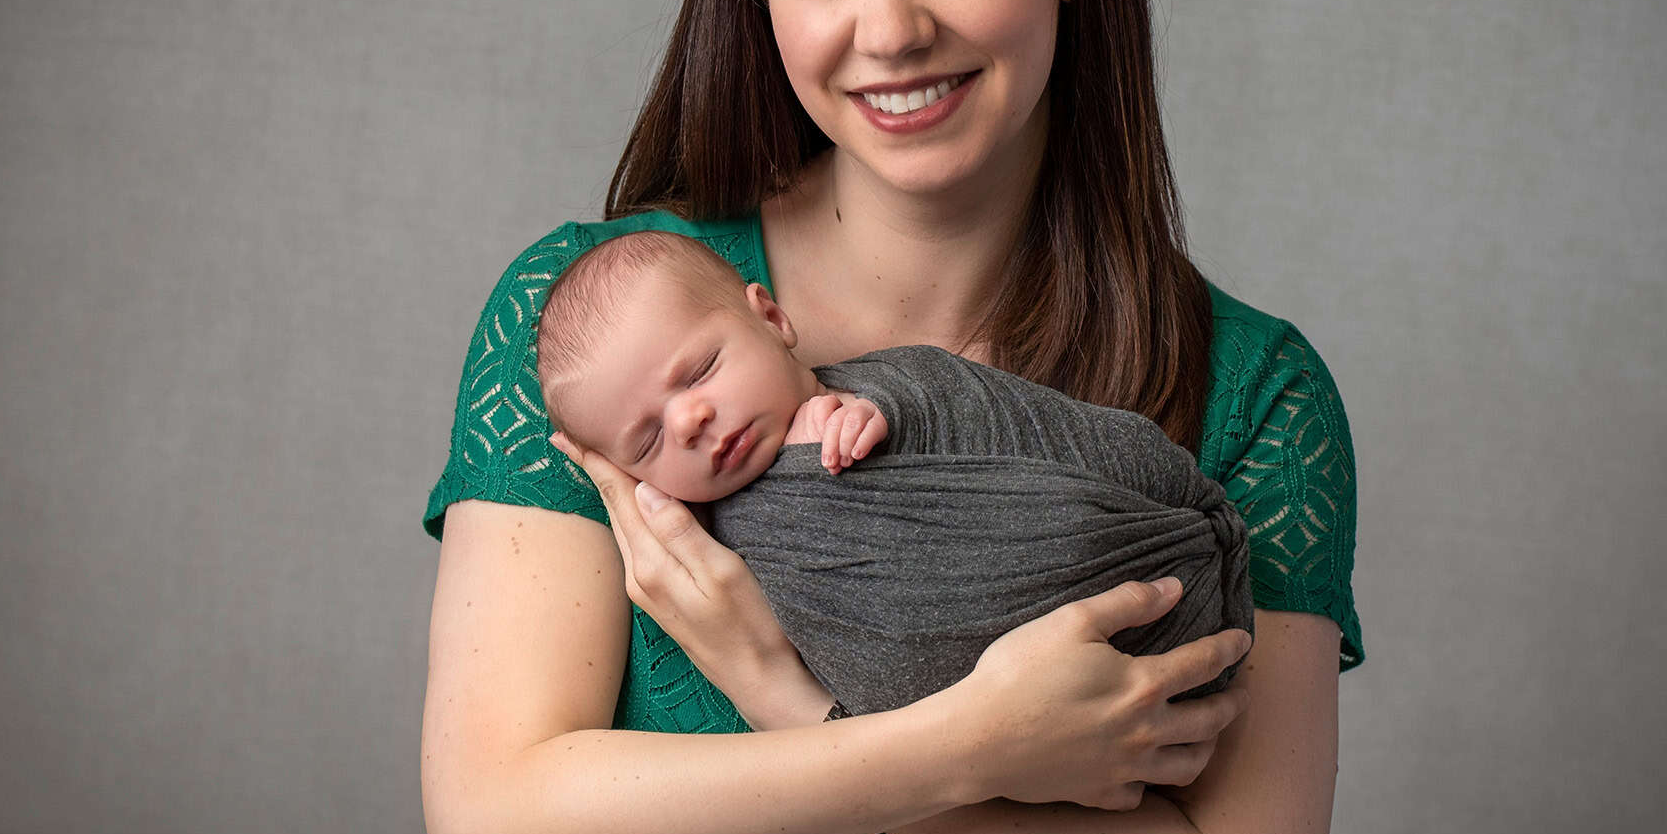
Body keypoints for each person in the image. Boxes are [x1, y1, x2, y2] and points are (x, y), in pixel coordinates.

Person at [422, 0, 1362, 834]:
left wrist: (784, 699)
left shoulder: (1255, 394)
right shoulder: (595, 329)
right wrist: (969, 742)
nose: (889, 27)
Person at [535, 228, 1254, 717]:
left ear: (772, 317)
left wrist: (873, 412)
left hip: (1109, 567)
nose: (690, 421)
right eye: (649, 437)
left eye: (699, 370)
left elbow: (954, 403)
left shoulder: (871, 392)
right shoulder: (696, 543)